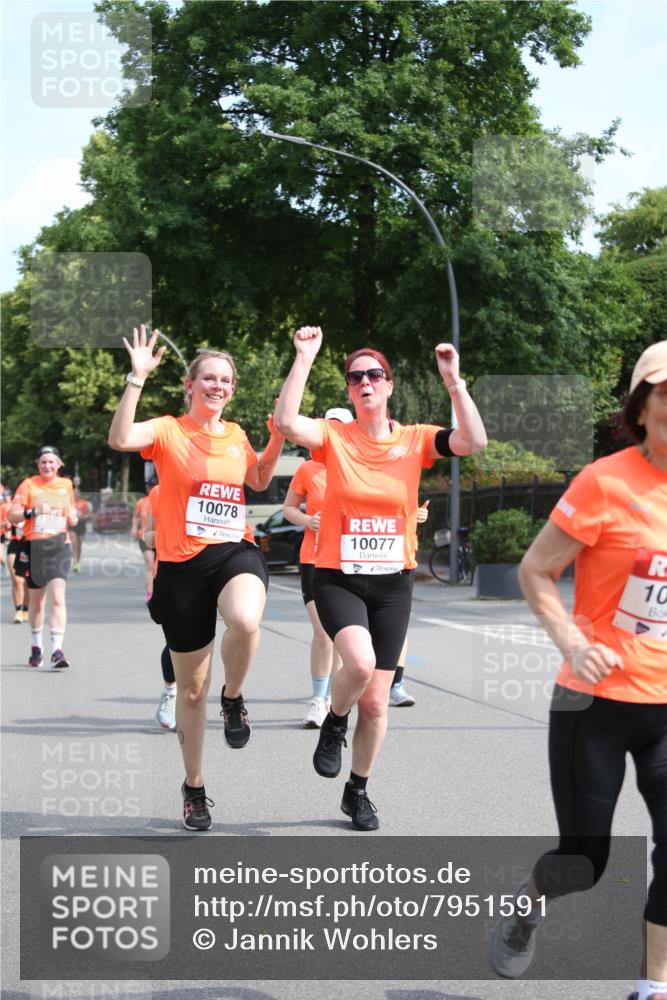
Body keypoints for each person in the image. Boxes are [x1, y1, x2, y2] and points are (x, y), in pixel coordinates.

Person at [488, 341, 667, 1000]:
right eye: (666, 392)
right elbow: (535, 570)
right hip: (592, 703)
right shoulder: (604, 481)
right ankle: (527, 905)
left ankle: (651, 987)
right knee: (582, 863)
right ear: (640, 406)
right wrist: (568, 641)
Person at [275, 326, 487, 830]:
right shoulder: (334, 438)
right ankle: (333, 720)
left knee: (375, 703)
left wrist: (454, 382)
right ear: (349, 391)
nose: (365, 382)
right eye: (355, 377)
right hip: (338, 577)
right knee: (361, 664)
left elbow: (474, 440)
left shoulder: (415, 439)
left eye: (374, 375)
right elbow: (285, 422)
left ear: (389, 386)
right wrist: (304, 357)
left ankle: (357, 791)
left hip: (393, 582)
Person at [108, 326, 285, 832]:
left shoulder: (236, 436)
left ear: (231, 389)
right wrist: (136, 378)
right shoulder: (166, 429)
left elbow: (257, 479)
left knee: (247, 621)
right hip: (181, 566)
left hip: (233, 549)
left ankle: (234, 699)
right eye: (208, 377)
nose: (217, 386)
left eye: (225, 380)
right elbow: (120, 438)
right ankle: (194, 787)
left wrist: (274, 436)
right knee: (189, 693)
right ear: (190, 385)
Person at [282, 407, 353, 728]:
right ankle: (316, 700)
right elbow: (288, 509)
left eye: (341, 428)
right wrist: (308, 520)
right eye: (329, 428)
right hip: (313, 559)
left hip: (348, 561)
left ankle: (332, 697)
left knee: (341, 637)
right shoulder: (307, 469)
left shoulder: (358, 467)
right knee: (323, 632)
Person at [9, 446, 77, 668]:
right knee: (37, 603)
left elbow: (71, 511)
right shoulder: (29, 485)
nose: (48, 466)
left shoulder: (66, 485)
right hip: (34, 547)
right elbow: (12, 515)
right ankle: (37, 645)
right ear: (38, 465)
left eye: (51, 462)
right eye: (43, 462)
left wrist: (74, 517)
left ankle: (57, 650)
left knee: (58, 597)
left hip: (59, 545)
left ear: (59, 465)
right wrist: (31, 512)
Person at [143, 481, 177, 731]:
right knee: (175, 641)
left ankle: (191, 700)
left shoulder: (213, 483)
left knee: (204, 644)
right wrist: (175, 530)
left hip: (210, 572)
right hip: (170, 571)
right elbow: (148, 537)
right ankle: (170, 693)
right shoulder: (158, 492)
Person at [132, 484, 156, 600]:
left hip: (160, 538)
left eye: (152, 486)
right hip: (144, 536)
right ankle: (150, 594)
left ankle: (159, 592)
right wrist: (134, 528)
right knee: (150, 564)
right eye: (148, 487)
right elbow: (136, 516)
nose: (149, 489)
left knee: (159, 567)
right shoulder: (142, 502)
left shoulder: (163, 499)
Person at [71, 488, 91, 573]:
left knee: (79, 545)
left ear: (79, 494)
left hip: (81, 525)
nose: (76, 495)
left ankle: (78, 562)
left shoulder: (83, 503)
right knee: (74, 543)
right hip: (72, 526)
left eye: (77, 493)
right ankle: (75, 562)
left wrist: (83, 517)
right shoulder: (70, 503)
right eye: (74, 493)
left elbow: (89, 515)